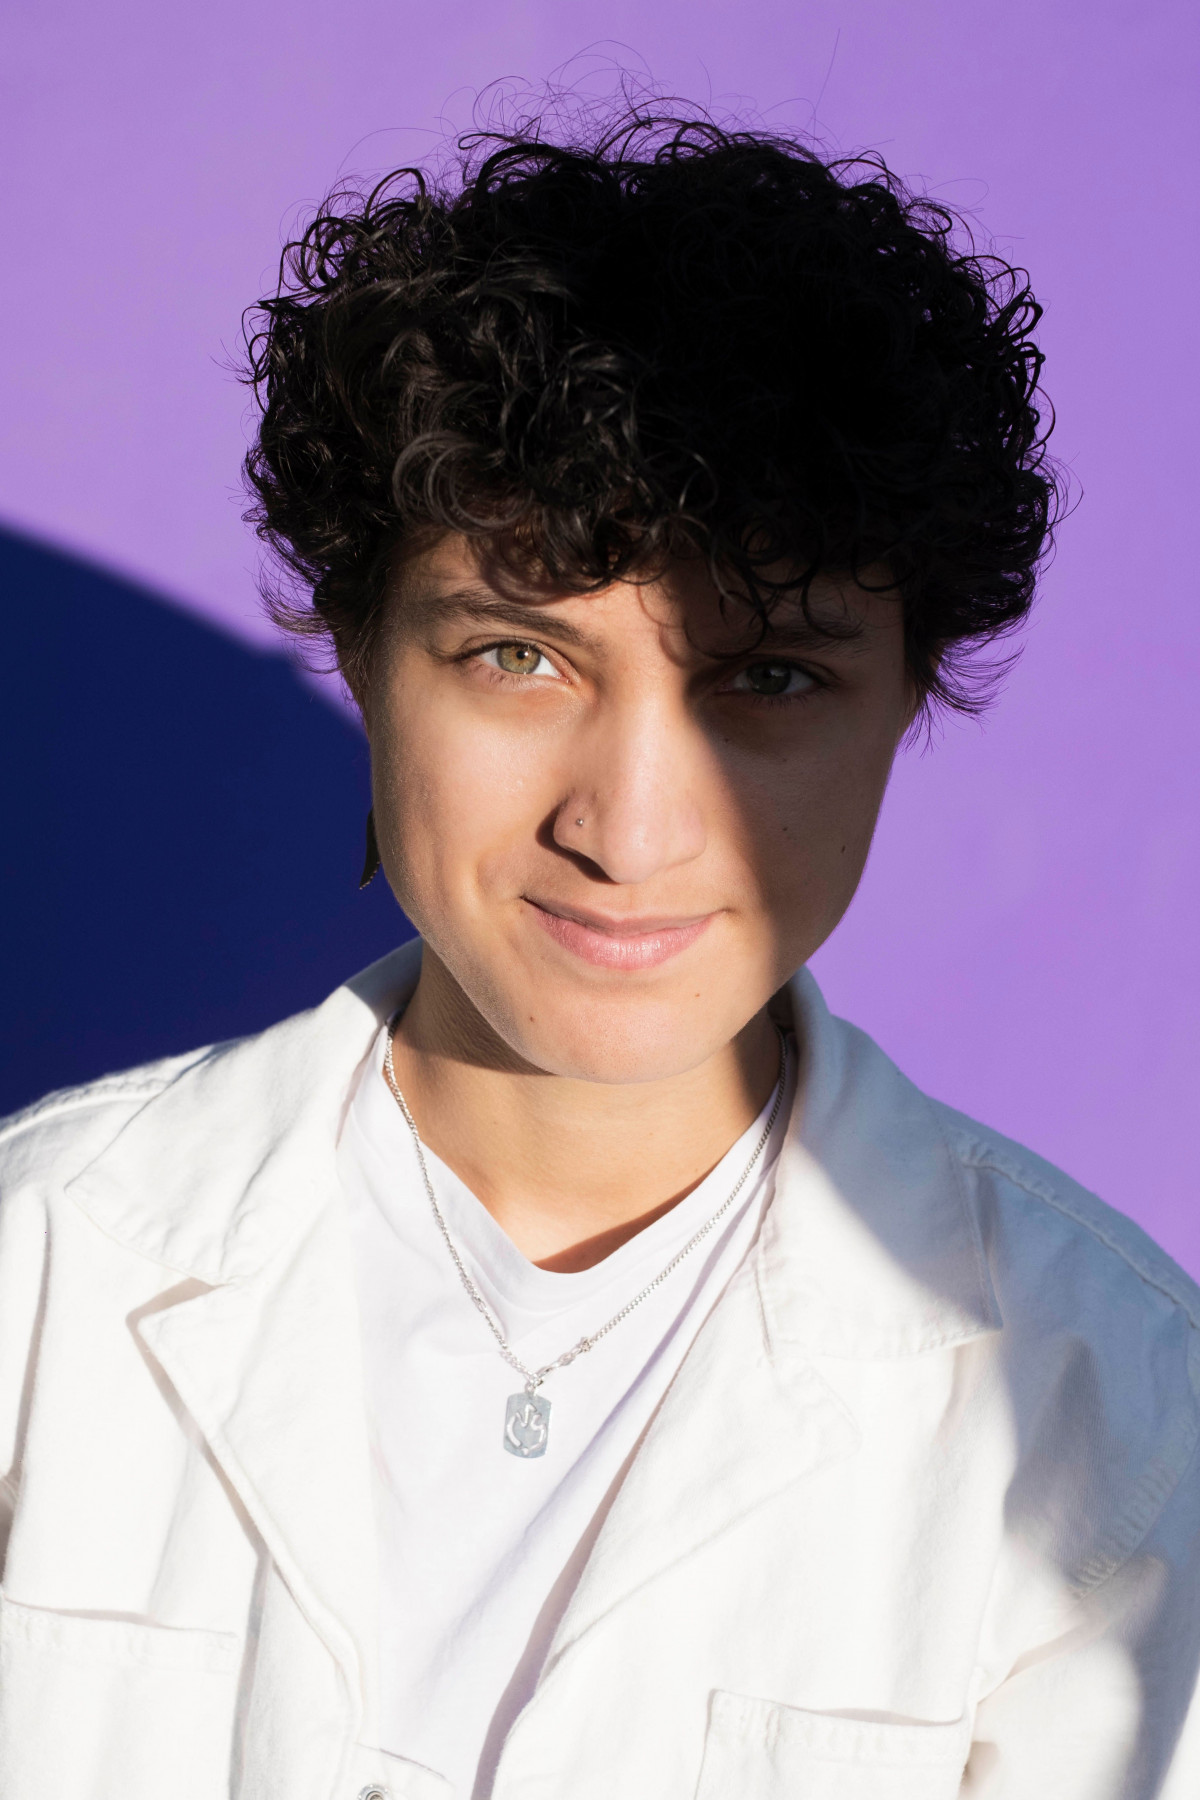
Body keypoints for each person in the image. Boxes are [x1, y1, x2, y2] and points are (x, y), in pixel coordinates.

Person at [1, 104, 1197, 1800]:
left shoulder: (1124, 1424)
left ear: (907, 698)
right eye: (519, 657)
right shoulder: (32, 1280)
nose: (630, 829)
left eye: (767, 681)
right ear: (360, 652)